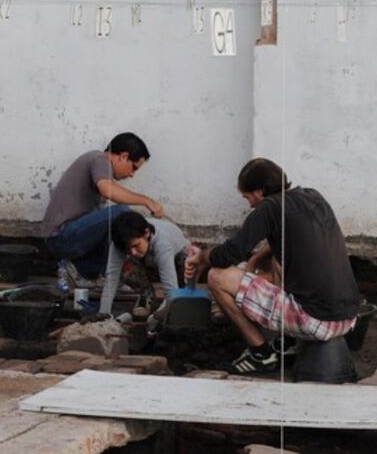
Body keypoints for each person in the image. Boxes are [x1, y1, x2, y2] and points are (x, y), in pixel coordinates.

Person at [184, 157, 360, 374]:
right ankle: (288, 342)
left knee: (216, 276)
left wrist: (201, 257)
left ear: (259, 191)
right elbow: (280, 242)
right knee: (278, 260)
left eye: (247, 197)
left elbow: (228, 254)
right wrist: (253, 262)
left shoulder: (269, 207)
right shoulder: (312, 196)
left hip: (316, 320)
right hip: (348, 316)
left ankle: (261, 354)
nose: (249, 204)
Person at [41, 132, 164, 288]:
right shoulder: (99, 159)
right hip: (60, 238)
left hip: (71, 240)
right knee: (121, 213)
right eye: (133, 168)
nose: (132, 175)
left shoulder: (100, 169)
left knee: (114, 224)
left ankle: (88, 272)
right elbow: (108, 191)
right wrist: (147, 201)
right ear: (123, 156)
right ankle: (102, 274)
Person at [100, 211, 191, 316]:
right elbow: (111, 278)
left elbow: (171, 291)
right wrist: (104, 314)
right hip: (150, 264)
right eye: (128, 249)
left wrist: (155, 318)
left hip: (176, 263)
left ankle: (182, 297)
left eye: (136, 245)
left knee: (185, 263)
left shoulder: (163, 244)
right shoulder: (120, 241)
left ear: (147, 233)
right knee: (126, 268)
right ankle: (147, 294)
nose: (133, 252)